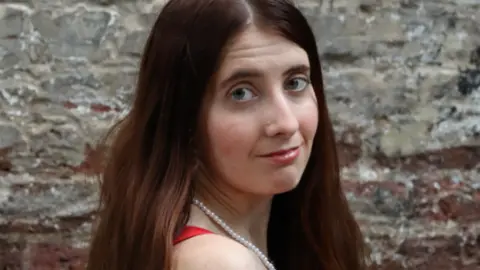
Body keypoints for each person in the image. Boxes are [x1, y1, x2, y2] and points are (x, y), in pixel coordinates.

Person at [86, 0, 368, 269]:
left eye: (295, 83)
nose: (286, 122)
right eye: (241, 93)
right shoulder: (220, 263)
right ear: (184, 116)